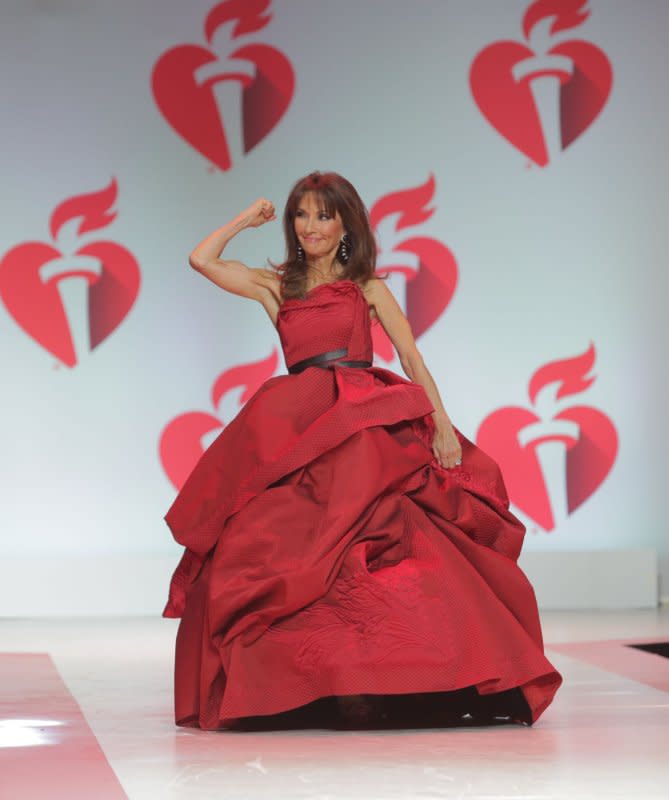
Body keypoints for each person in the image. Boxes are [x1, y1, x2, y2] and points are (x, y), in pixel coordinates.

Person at [163, 171, 562, 731]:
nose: (311, 227)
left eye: (324, 215)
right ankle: (308, 684)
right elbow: (202, 260)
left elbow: (412, 360)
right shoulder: (277, 286)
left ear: (346, 223)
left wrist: (441, 424)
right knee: (280, 543)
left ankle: (396, 677)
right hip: (297, 432)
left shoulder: (369, 289)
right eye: (301, 215)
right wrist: (243, 221)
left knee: (385, 540)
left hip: (363, 426)